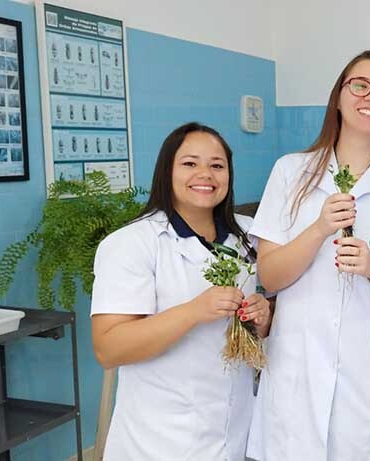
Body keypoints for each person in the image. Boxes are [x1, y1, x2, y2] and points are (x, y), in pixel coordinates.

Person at [246, 50, 370, 460]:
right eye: (359, 85)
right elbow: (270, 277)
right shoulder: (291, 171)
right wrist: (319, 229)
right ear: (339, 99)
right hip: (298, 368)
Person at [91, 122, 271, 460]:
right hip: (161, 441)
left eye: (217, 165)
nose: (205, 174)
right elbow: (108, 348)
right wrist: (193, 312)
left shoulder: (249, 236)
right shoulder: (132, 244)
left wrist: (263, 316)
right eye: (190, 163)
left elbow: (269, 317)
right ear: (166, 171)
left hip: (235, 432)